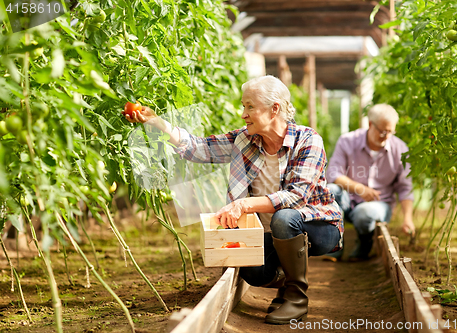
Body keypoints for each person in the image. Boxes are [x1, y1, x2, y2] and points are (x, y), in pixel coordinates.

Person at [123, 75, 343, 324]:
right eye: (243, 106)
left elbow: (296, 196)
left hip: (319, 226)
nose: (243, 114)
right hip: (272, 233)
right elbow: (199, 148)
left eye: (250, 106)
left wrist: (244, 204)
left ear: (274, 109)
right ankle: (287, 277)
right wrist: (157, 123)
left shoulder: (307, 140)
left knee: (284, 217)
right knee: (252, 271)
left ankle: (296, 299)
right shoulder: (244, 140)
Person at [324, 103, 414, 262]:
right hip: (348, 200)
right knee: (331, 190)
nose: (386, 136)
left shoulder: (400, 150)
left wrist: (408, 218)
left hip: (379, 205)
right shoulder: (347, 141)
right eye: (382, 131)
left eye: (391, 132)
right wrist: (359, 189)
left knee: (364, 213)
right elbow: (333, 174)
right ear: (370, 124)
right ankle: (334, 244)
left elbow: (405, 187)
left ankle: (365, 243)